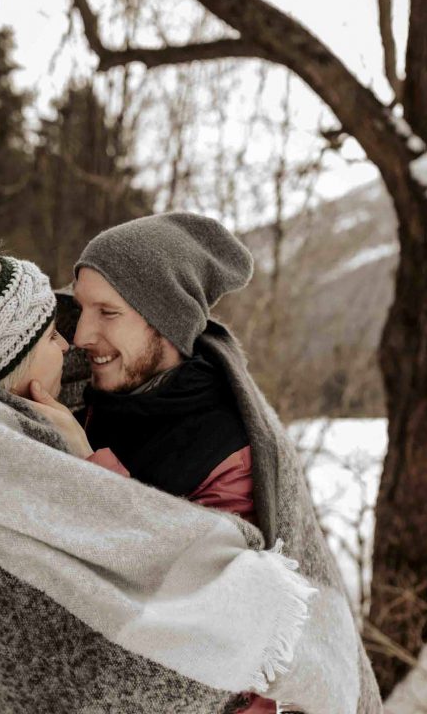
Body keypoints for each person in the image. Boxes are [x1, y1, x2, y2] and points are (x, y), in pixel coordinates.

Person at [26, 212, 383, 714]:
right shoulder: (84, 401)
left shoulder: (227, 449)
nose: (82, 333)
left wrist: (86, 461)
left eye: (108, 313)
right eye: (82, 307)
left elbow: (208, 608)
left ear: (166, 322)